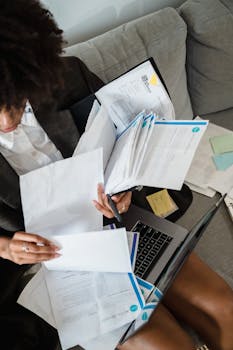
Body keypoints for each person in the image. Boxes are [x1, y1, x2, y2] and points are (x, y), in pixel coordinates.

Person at [0, 1, 232, 350]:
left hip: (123, 224)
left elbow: (130, 137)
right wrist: (5, 247)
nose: (6, 122)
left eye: (14, 103)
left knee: (224, 307)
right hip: (55, 261)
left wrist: (125, 188)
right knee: (166, 345)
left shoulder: (69, 77)